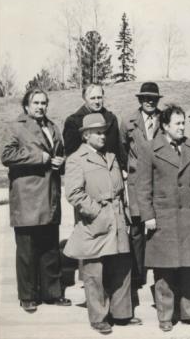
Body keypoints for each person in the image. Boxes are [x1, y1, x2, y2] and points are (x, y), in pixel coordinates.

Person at [132, 104, 190, 332]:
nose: (182, 127)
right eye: (177, 123)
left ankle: (189, 312)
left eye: (183, 123)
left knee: (189, 267)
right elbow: (142, 187)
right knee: (163, 270)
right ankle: (165, 316)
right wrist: (147, 215)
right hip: (162, 217)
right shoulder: (149, 149)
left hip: (189, 217)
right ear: (165, 126)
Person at [63, 114, 136, 334]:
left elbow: (120, 191)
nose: (102, 136)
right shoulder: (76, 159)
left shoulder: (111, 156)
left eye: (104, 132)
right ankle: (99, 318)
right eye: (97, 133)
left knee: (122, 267)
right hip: (94, 222)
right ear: (85, 136)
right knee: (95, 272)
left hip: (118, 219)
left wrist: (124, 214)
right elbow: (74, 193)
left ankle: (122, 314)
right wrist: (96, 212)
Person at [0, 88, 71, 312]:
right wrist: (38, 157)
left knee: (50, 248)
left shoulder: (53, 127)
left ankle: (52, 293)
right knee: (27, 251)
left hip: (50, 196)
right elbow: (7, 156)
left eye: (43, 103)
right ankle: (28, 296)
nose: (40, 107)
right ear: (26, 106)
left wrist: (61, 161)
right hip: (27, 199)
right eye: (36, 103)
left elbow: (59, 153)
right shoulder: (16, 126)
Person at [120, 82, 165, 306]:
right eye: (146, 98)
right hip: (137, 179)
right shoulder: (128, 121)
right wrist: (128, 169)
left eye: (153, 98)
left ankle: (160, 273)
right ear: (140, 100)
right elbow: (121, 148)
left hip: (159, 178)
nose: (149, 101)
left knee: (159, 226)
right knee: (137, 228)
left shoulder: (164, 119)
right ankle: (138, 274)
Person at [63, 83, 124, 161]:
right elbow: (71, 154)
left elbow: (117, 148)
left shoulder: (111, 118)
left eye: (99, 97)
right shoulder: (73, 121)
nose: (97, 101)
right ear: (84, 98)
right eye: (92, 98)